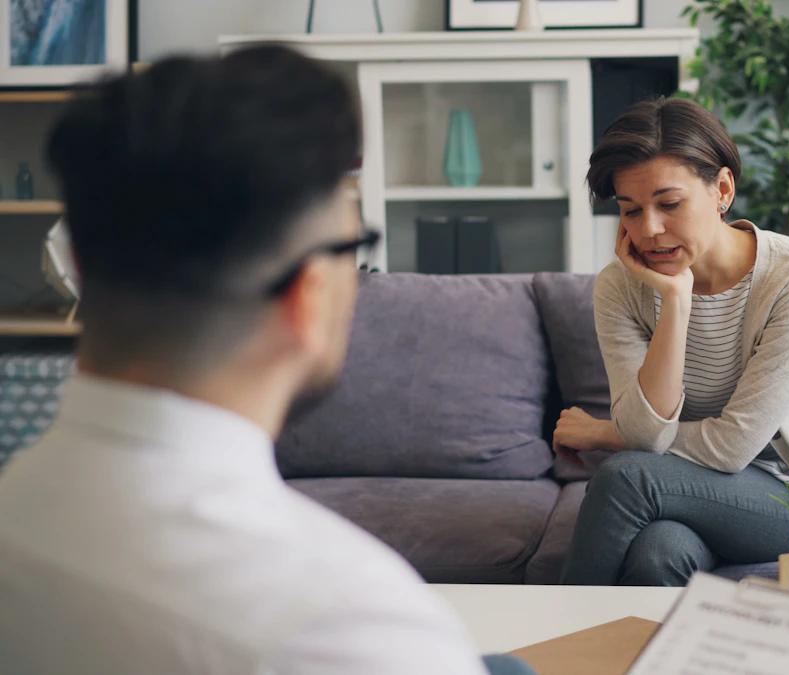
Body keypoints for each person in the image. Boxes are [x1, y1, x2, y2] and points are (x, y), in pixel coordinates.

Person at [0, 47, 529, 675]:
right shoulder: (354, 624)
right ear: (308, 293)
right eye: (352, 249)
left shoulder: (17, 506)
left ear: (82, 268)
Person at [554, 98, 789, 586]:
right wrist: (676, 299)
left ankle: (560, 652)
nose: (649, 229)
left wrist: (602, 434)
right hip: (691, 489)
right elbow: (645, 432)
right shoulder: (622, 287)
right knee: (658, 555)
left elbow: (730, 447)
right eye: (630, 211)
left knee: (626, 476)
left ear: (721, 189)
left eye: (669, 204)